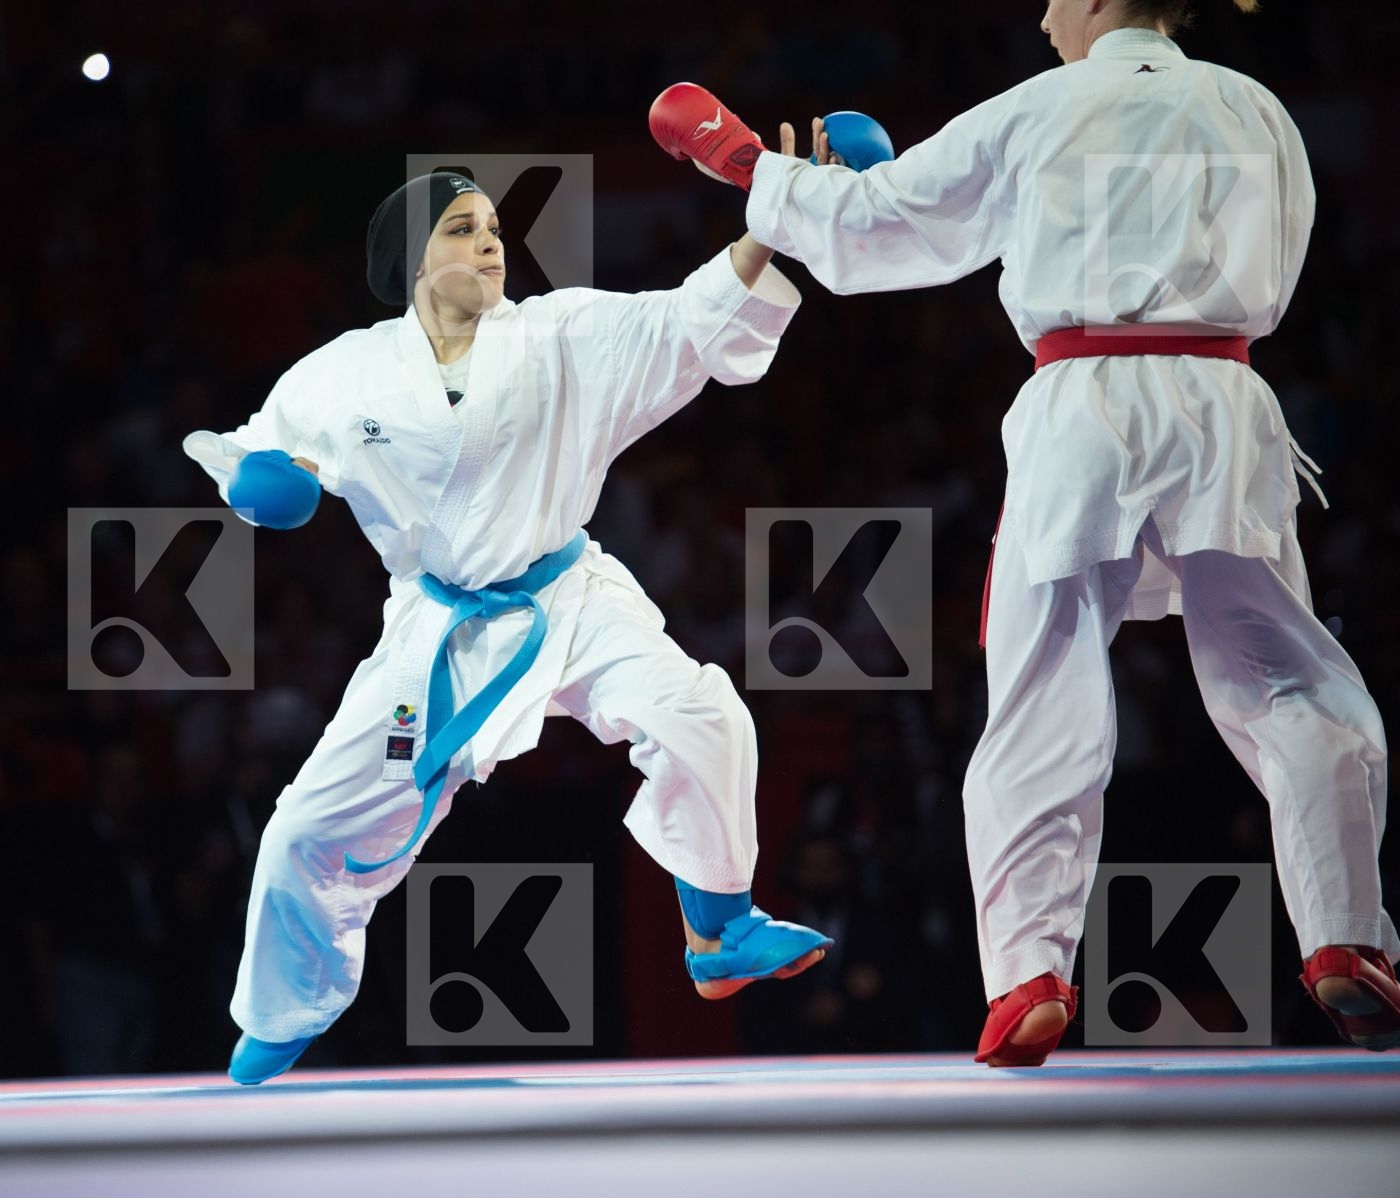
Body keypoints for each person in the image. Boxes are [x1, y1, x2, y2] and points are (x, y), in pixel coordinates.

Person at [656, 0, 1399, 1064]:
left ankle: (1028, 979)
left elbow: (880, 225)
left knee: (1043, 692)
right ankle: (1346, 940)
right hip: (1224, 398)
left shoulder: (1040, 108)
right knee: (1287, 678)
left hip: (1081, 402)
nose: (1045, 14)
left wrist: (738, 159)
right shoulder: (1260, 109)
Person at [186, 168, 830, 1085]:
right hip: (437, 629)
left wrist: (770, 223)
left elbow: (695, 316)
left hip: (569, 596)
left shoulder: (562, 333)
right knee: (303, 831)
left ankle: (719, 926)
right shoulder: (344, 371)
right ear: (411, 261)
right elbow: (258, 448)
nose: (489, 242)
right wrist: (260, 480)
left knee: (703, 716)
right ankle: (282, 1015)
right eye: (460, 228)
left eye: (492, 226)